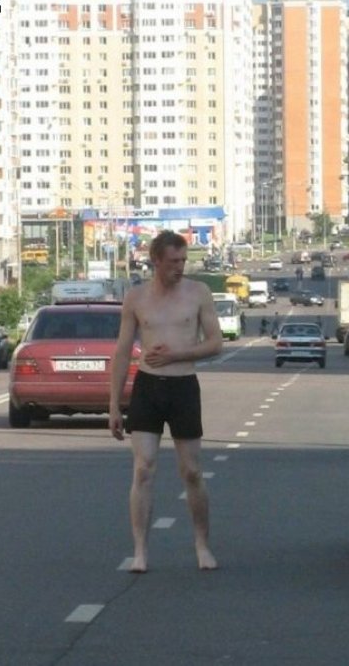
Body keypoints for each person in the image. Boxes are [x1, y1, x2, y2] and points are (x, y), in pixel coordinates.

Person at [109, 231, 223, 573]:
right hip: (148, 387)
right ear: (156, 260)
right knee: (143, 468)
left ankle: (202, 544)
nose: (180, 267)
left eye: (183, 260)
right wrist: (114, 404)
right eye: (173, 261)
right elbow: (122, 351)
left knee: (191, 471)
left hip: (183, 386)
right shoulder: (136, 298)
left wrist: (177, 355)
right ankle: (140, 551)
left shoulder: (198, 293)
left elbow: (215, 342)